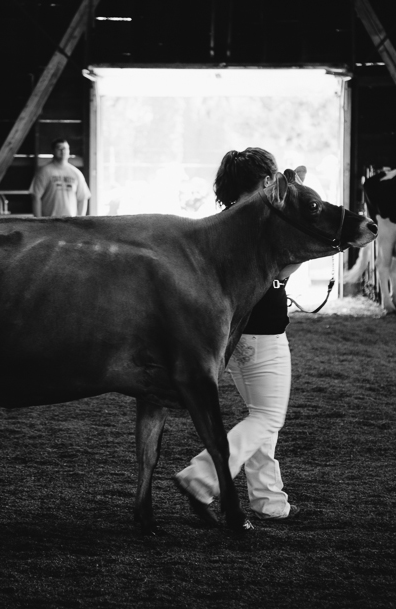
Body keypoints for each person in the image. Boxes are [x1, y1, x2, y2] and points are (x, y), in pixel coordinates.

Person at [173, 147, 300, 524]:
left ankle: (269, 501)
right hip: (264, 333)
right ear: (265, 181)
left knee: (261, 417)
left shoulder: (224, 223)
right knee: (267, 417)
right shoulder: (262, 221)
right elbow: (285, 265)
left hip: (235, 334)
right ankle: (202, 477)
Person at [30, 139, 91, 218]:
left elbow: (83, 198)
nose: (63, 151)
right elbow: (36, 197)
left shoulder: (76, 173)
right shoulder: (44, 172)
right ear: (53, 151)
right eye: (59, 148)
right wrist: (38, 221)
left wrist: (80, 221)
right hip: (49, 222)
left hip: (70, 223)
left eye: (65, 148)